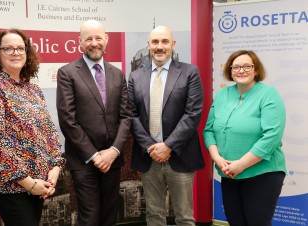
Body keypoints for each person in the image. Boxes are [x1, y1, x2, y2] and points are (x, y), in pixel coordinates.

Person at [0, 28, 65, 226]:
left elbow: (49, 131)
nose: (16, 52)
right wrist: (28, 183)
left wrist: (56, 166)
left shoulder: (34, 90)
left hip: (39, 182)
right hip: (11, 185)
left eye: (20, 48)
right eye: (9, 48)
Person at [56, 20, 131, 226]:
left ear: (106, 40)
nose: (94, 43)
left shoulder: (117, 74)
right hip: (84, 160)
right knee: (89, 218)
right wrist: (94, 155)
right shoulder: (67, 73)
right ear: (80, 42)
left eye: (98, 38)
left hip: (113, 159)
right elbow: (67, 119)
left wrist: (114, 150)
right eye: (88, 38)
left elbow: (126, 117)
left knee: (109, 217)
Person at [128, 26, 204, 226]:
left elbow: (193, 113)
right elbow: (131, 115)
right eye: (155, 42)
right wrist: (151, 147)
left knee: (185, 217)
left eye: (164, 42)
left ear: (173, 44)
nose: (159, 47)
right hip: (149, 156)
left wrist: (168, 146)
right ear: (148, 46)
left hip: (180, 154)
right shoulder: (136, 76)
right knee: (153, 215)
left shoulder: (190, 72)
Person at [203, 50, 286, 226]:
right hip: (229, 174)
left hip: (262, 174)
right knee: (236, 222)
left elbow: (271, 137)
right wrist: (217, 158)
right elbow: (208, 131)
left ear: (256, 70)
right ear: (230, 71)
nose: (242, 70)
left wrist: (240, 165)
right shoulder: (222, 95)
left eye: (247, 66)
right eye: (236, 67)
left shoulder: (268, 94)